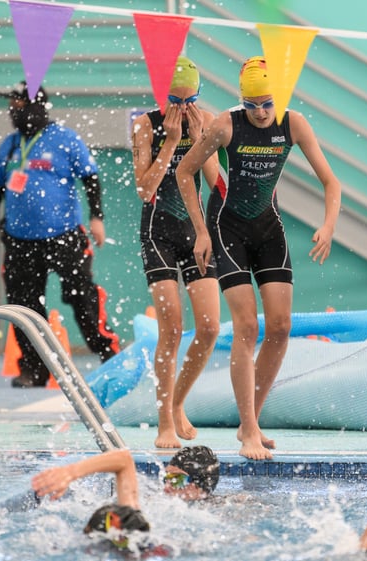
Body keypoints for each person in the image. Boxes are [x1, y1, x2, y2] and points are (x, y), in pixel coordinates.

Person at [174, 56, 342, 460]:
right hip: (227, 229)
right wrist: (199, 230)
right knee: (247, 326)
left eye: (267, 103)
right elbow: (185, 171)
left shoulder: (294, 123)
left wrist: (329, 224)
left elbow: (330, 180)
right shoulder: (226, 125)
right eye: (252, 105)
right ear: (241, 102)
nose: (261, 112)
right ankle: (247, 429)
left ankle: (254, 418)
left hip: (268, 227)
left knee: (281, 327)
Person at [0, 81, 120, 388]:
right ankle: (34, 370)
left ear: (37, 107)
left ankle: (110, 356)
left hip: (64, 237)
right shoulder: (10, 145)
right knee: (24, 307)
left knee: (82, 298)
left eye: (18, 106)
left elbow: (90, 178)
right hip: (19, 240)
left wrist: (97, 218)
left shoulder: (64, 139)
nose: (13, 112)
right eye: (11, 107)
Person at [131, 56, 221, 449]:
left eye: (190, 100)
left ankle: (179, 402)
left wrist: (203, 142)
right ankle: (164, 421)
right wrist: (169, 142)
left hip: (194, 232)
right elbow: (144, 188)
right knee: (170, 330)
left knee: (209, 328)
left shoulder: (207, 120)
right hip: (158, 234)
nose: (183, 110)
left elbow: (215, 181)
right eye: (175, 100)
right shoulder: (146, 125)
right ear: (162, 96)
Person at [32, 445, 220, 553]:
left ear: (198, 485)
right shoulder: (170, 543)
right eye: (166, 478)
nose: (166, 487)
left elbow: (123, 459)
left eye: (176, 480)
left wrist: (70, 472)